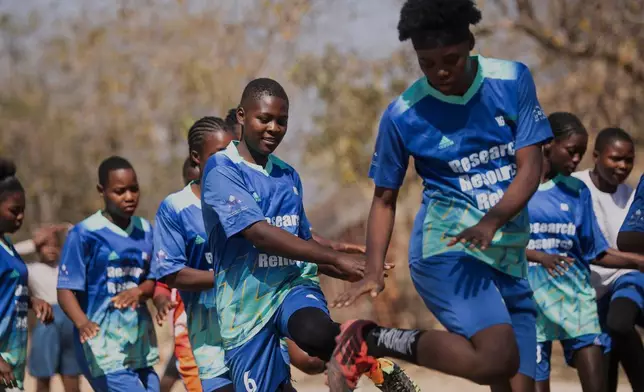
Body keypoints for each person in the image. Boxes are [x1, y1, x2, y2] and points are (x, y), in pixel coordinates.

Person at [327, 0, 557, 390]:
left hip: (506, 248)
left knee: (517, 383)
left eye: (449, 58)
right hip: (446, 251)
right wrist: (372, 270)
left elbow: (531, 167)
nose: (440, 72)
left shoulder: (511, 79)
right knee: (496, 358)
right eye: (427, 63)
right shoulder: (403, 114)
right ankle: (369, 339)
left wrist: (492, 222)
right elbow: (384, 199)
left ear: (469, 41)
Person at [200, 77, 376, 392]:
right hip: (245, 311)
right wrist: (334, 257)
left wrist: (341, 266)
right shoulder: (222, 169)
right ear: (242, 116)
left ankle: (374, 362)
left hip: (290, 287)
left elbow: (300, 239)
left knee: (316, 334)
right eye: (264, 118)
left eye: (281, 121)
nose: (273, 128)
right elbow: (259, 234)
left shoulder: (288, 175)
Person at [524, 112, 644, 392]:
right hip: (533, 302)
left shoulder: (578, 191)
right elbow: (502, 242)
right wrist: (539, 257)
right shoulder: (520, 188)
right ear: (547, 144)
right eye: (571, 152)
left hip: (577, 302)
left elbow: (595, 251)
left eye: (580, 153)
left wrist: (639, 262)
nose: (576, 159)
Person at [57, 156, 160, 392]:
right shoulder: (85, 233)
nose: (129, 197)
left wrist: (139, 291)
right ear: (101, 191)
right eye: (120, 191)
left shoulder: (145, 230)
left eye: (134, 189)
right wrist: (82, 323)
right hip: (102, 345)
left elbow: (154, 280)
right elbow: (64, 289)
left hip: (139, 343)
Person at [572, 127, 644, 391]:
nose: (623, 166)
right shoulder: (575, 187)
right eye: (615, 158)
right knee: (602, 374)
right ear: (596, 156)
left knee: (620, 322)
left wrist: (635, 262)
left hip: (624, 278)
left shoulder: (632, 196)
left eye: (629, 160)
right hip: (587, 291)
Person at [0, 159, 53, 391]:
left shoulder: (8, 246)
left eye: (23, 211)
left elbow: (8, 289)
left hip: (14, 357)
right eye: (14, 211)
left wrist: (32, 301)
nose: (20, 217)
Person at [27, 225, 82, 392]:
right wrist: (33, 243)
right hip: (46, 322)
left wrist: (65, 228)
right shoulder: (31, 269)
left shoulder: (67, 268)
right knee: (43, 375)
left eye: (55, 245)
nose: (51, 249)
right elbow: (8, 250)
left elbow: (80, 241)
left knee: (71, 374)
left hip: (69, 322)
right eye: (45, 245)